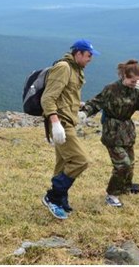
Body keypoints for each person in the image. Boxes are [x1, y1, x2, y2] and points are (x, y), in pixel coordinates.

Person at [80, 59, 139, 208]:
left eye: (137, 80)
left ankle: (126, 187)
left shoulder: (138, 90)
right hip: (112, 132)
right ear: (124, 76)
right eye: (132, 80)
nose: (134, 83)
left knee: (131, 163)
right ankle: (112, 194)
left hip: (127, 132)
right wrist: (84, 113)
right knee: (123, 165)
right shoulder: (111, 89)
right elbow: (96, 103)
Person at [40, 39, 99, 220]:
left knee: (63, 164)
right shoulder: (64, 67)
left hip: (68, 121)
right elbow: (48, 98)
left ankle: (60, 201)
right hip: (62, 123)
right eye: (89, 55)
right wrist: (55, 123)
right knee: (81, 160)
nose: (91, 59)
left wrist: (79, 108)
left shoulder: (75, 69)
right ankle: (52, 196)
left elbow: (66, 96)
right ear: (78, 53)